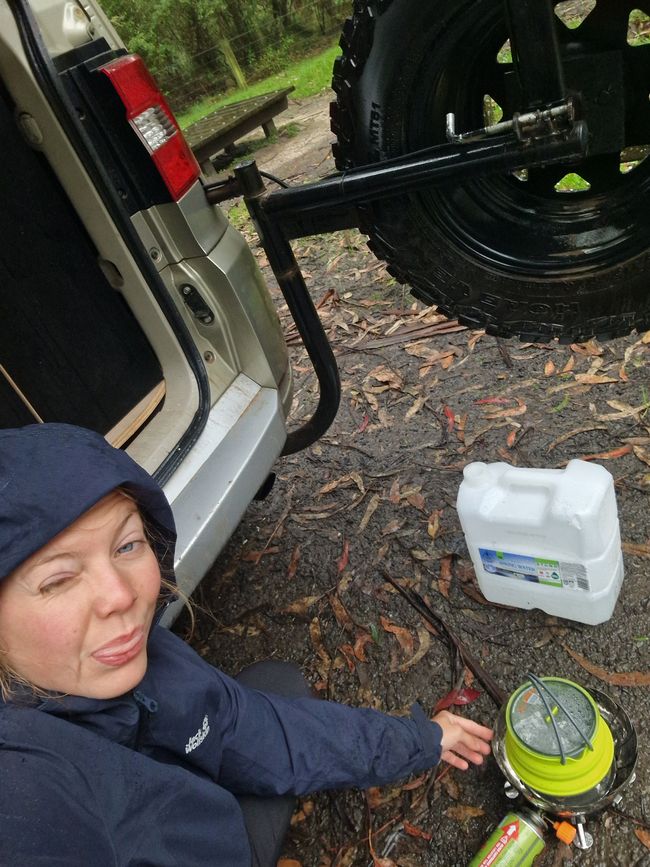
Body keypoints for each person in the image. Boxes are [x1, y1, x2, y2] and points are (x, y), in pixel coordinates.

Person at [0, 423, 493, 866]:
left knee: (277, 685)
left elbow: (257, 728)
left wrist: (419, 740)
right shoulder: (30, 801)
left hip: (210, 831)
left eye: (127, 546)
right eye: (57, 581)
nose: (121, 596)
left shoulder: (142, 656)